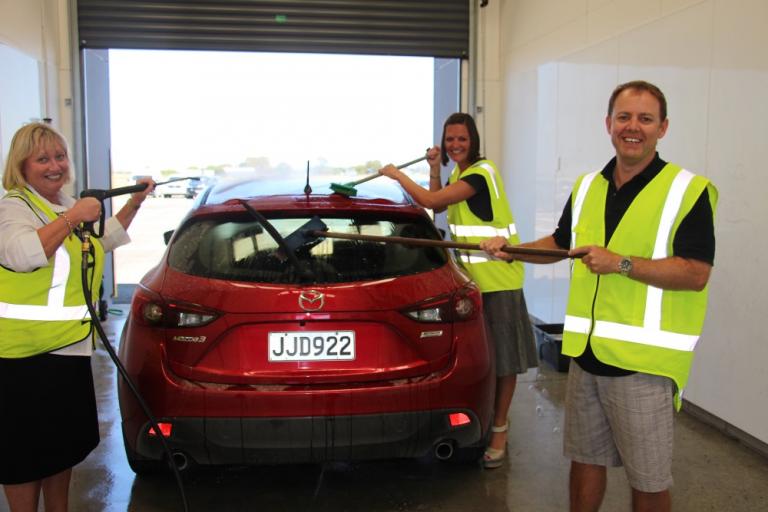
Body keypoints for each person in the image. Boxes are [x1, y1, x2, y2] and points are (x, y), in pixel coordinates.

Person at [481, 80, 717, 511]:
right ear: (608, 124)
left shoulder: (688, 191)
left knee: (648, 480)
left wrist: (621, 263)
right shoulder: (589, 185)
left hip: (643, 366)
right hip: (586, 357)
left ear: (663, 128)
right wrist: (510, 250)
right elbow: (559, 243)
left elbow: (696, 273)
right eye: (624, 117)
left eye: (645, 119)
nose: (633, 127)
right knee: (585, 461)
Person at [0, 122, 155, 511]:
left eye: (60, 156)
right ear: (22, 166)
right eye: (43, 158)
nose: (55, 165)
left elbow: (103, 238)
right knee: (23, 457)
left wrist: (135, 201)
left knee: (59, 450)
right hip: (21, 358)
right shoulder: (13, 207)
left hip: (67, 351)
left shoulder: (60, 205)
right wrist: (73, 217)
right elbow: (21, 256)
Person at [379, 112, 538, 469]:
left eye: (461, 139)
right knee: (483, 360)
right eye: (449, 140)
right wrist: (435, 168)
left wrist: (397, 175)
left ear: (474, 140)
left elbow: (432, 204)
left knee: (504, 362)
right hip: (472, 287)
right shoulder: (460, 174)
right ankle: (487, 421)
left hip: (499, 281)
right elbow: (440, 200)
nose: (455, 145)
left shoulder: (482, 173)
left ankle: (499, 429)